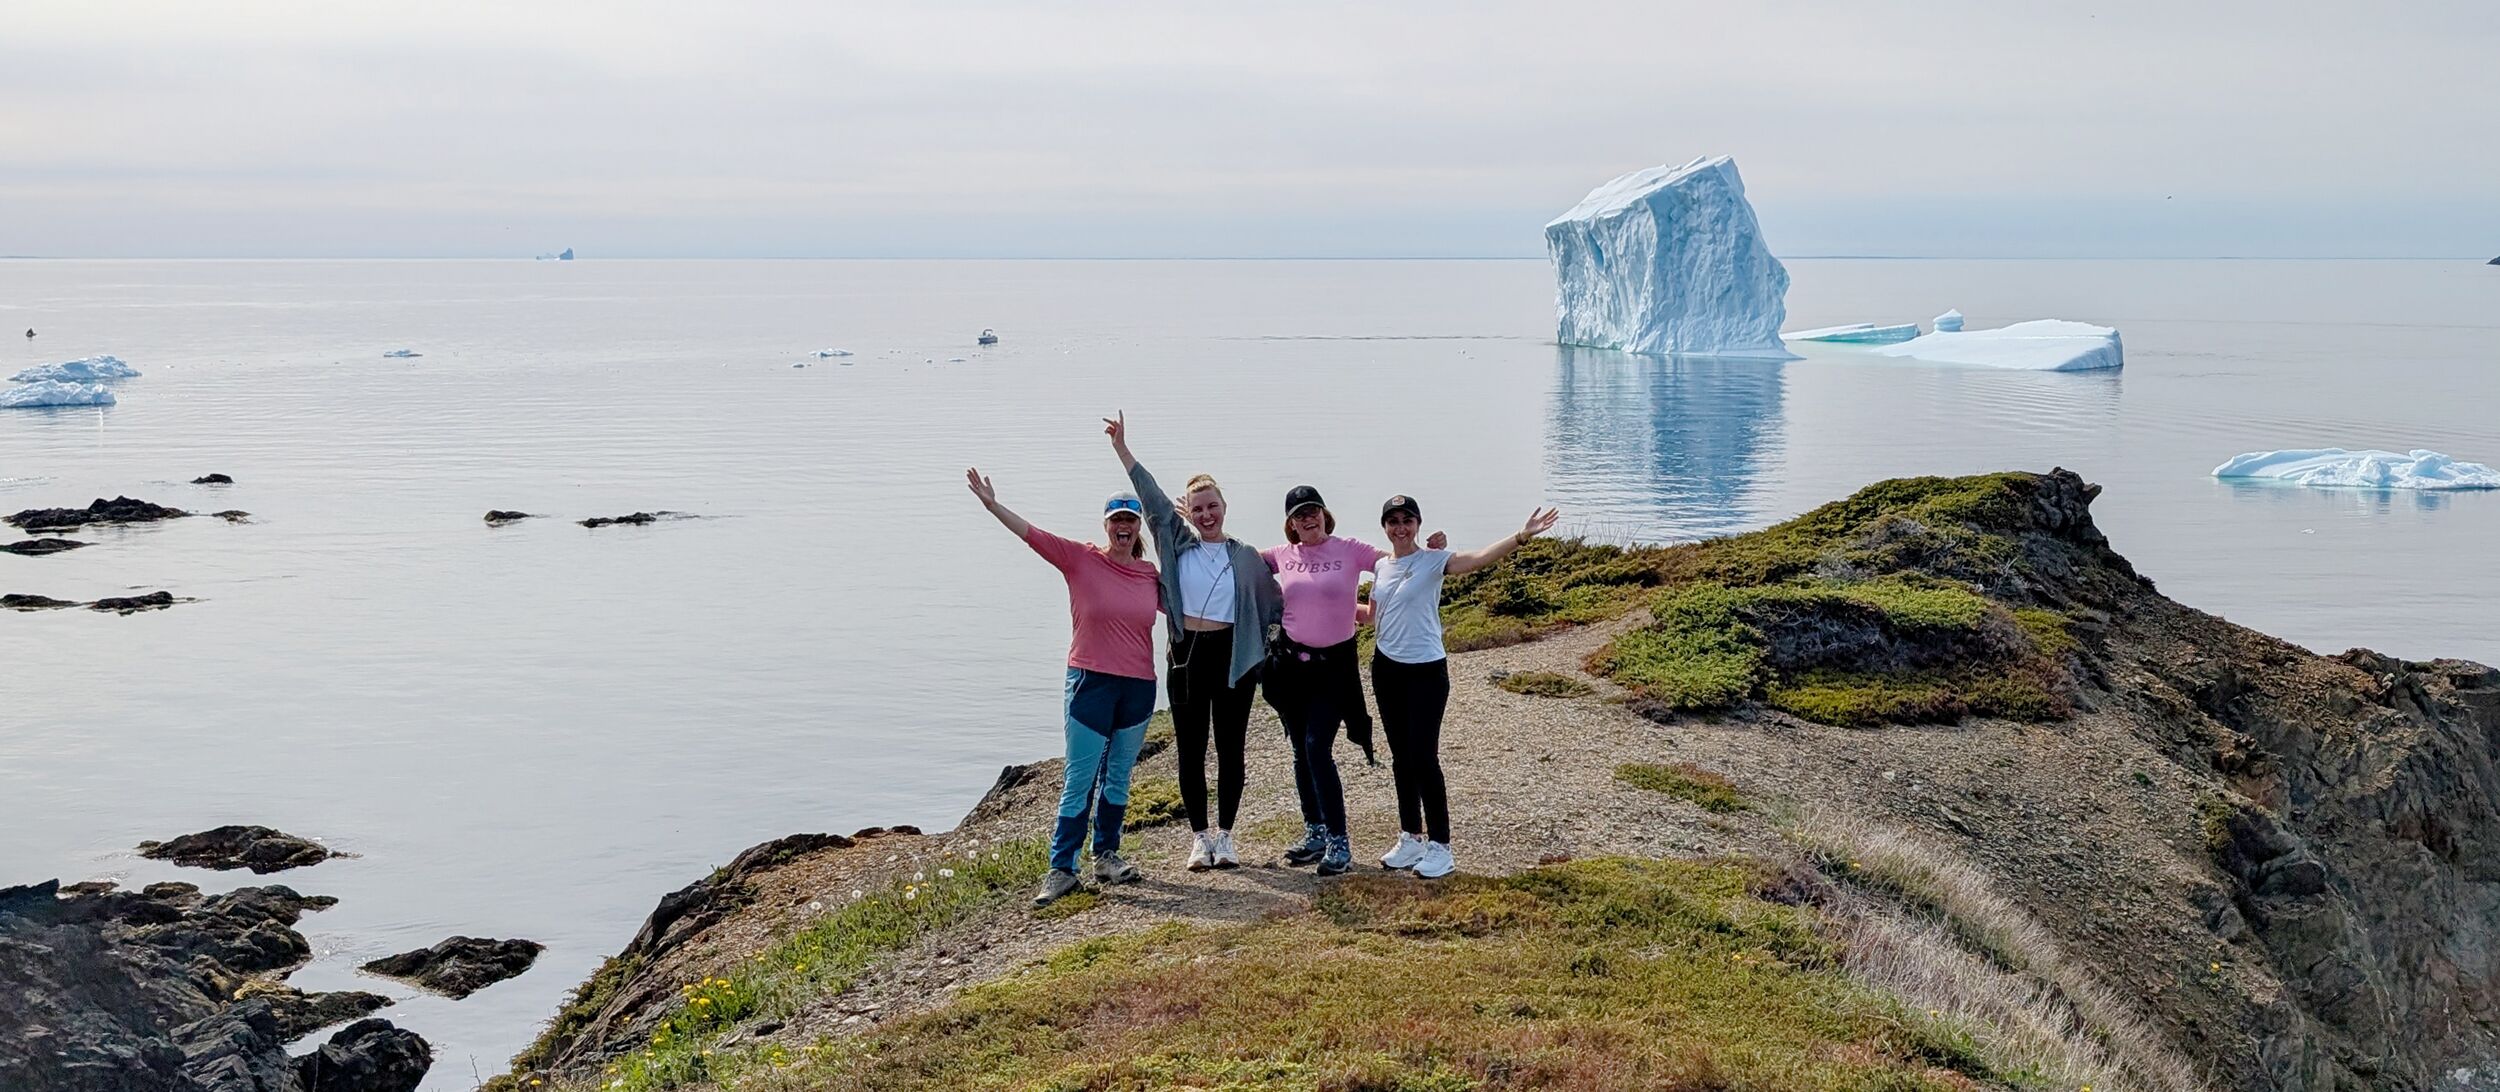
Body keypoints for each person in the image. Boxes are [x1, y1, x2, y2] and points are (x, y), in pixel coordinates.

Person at [966, 467, 1161, 907]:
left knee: (1119, 777)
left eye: (1131, 520)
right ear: (1106, 525)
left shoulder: (1151, 574)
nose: (1124, 527)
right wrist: (994, 506)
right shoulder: (1080, 559)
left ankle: (1106, 855)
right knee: (1079, 778)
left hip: (1139, 688)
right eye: (1117, 520)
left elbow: (1197, 605)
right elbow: (1032, 535)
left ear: (1139, 526)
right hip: (1090, 683)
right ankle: (1061, 869)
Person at [1104, 412, 1282, 871]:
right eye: (1197, 508)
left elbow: (1278, 600)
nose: (1205, 515)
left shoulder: (1243, 556)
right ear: (1188, 510)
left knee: (1231, 747)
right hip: (1186, 656)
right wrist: (1123, 448)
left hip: (1231, 657)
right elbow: (1151, 497)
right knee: (1190, 748)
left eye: (1212, 507)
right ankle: (1199, 838)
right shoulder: (1176, 541)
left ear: (1224, 508)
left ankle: (1226, 836)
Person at [1371, 495, 1560, 878]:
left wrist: (1520, 537)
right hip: (1386, 669)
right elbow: (1372, 616)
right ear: (1385, 527)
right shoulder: (1379, 566)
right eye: (1393, 521)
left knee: (1424, 758)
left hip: (1425, 670)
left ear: (1418, 525)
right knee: (1401, 758)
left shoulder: (1434, 560)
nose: (1400, 527)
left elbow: (1477, 560)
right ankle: (1411, 838)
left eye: (1407, 520)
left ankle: (1441, 846)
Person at [1261, 485, 1394, 875]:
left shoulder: (1350, 549)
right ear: (1290, 523)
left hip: (1334, 668)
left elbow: (1397, 563)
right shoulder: (1280, 556)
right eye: (1299, 514)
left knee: (1318, 747)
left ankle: (1339, 841)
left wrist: (1431, 549)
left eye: (1313, 511)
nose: (1308, 519)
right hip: (1289, 668)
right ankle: (1315, 832)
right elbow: (1232, 562)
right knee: (1302, 751)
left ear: (1324, 513)